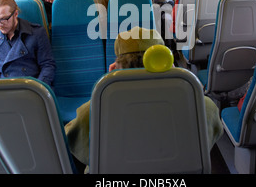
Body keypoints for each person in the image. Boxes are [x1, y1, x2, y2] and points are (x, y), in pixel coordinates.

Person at [64, 27, 224, 169]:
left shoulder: (95, 111)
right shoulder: (202, 106)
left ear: (116, 66)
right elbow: (208, 139)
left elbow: (75, 142)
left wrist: (111, 80)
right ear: (165, 61)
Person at [0, 0, 56, 87]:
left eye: (4, 19)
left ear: (15, 14)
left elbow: (48, 66)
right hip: (6, 90)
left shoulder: (36, 33)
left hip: (33, 88)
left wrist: (39, 89)